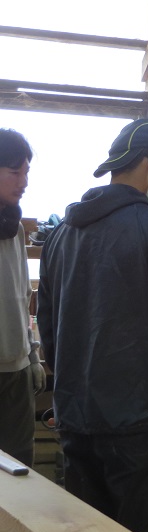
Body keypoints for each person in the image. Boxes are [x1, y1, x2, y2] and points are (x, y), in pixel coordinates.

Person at [37, 119, 148, 532]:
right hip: (145, 429)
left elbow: (50, 332)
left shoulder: (60, 235)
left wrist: (68, 399)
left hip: (78, 423)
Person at [0, 128, 45, 468]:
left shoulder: (14, 228)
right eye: (15, 172)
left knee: (19, 469)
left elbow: (22, 296)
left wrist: (32, 356)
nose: (24, 182)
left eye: (27, 172)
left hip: (16, 371)